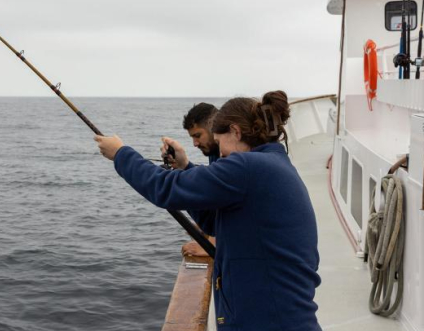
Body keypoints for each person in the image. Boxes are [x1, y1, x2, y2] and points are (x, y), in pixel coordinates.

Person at [95, 91, 321, 331]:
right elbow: (215, 222)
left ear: (235, 131)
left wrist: (121, 154)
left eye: (219, 143)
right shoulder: (270, 166)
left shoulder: (248, 167)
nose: (220, 155)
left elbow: (164, 188)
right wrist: (183, 167)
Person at [166, 103, 220, 257]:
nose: (195, 144)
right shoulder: (214, 150)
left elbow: (227, 203)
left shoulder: (229, 152)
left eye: (197, 136)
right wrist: (184, 165)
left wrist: (211, 245)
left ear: (213, 127)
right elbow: (213, 194)